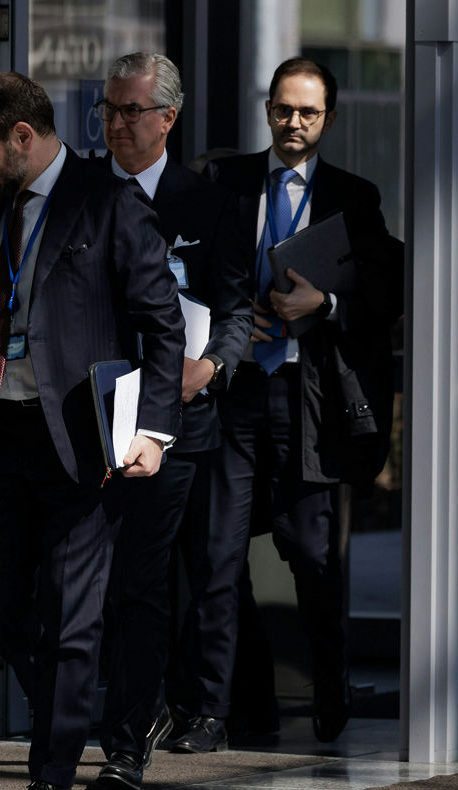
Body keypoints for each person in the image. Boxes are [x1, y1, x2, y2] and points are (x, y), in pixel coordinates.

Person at [0, 71, 184, 790]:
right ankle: (66, 693)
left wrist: (153, 428)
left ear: (22, 136)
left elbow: (163, 325)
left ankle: (52, 777)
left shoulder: (107, 204)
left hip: (80, 442)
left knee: (73, 612)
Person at [173, 57, 402, 752]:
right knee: (216, 556)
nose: (293, 123)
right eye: (282, 109)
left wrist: (322, 303)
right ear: (266, 109)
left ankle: (331, 692)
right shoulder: (229, 182)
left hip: (310, 396)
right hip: (236, 389)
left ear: (329, 118)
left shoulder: (353, 197)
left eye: (307, 112)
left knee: (311, 553)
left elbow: (384, 297)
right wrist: (236, 316)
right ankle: (219, 711)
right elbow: (196, 270)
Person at [89, 53, 252, 790]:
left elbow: (238, 307)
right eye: (108, 110)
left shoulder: (205, 203)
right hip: (87, 418)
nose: (116, 124)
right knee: (91, 581)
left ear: (168, 119)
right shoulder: (81, 196)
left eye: (130, 111)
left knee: (150, 581)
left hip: (177, 424)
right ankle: (111, 713)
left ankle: (131, 736)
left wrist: (209, 365)